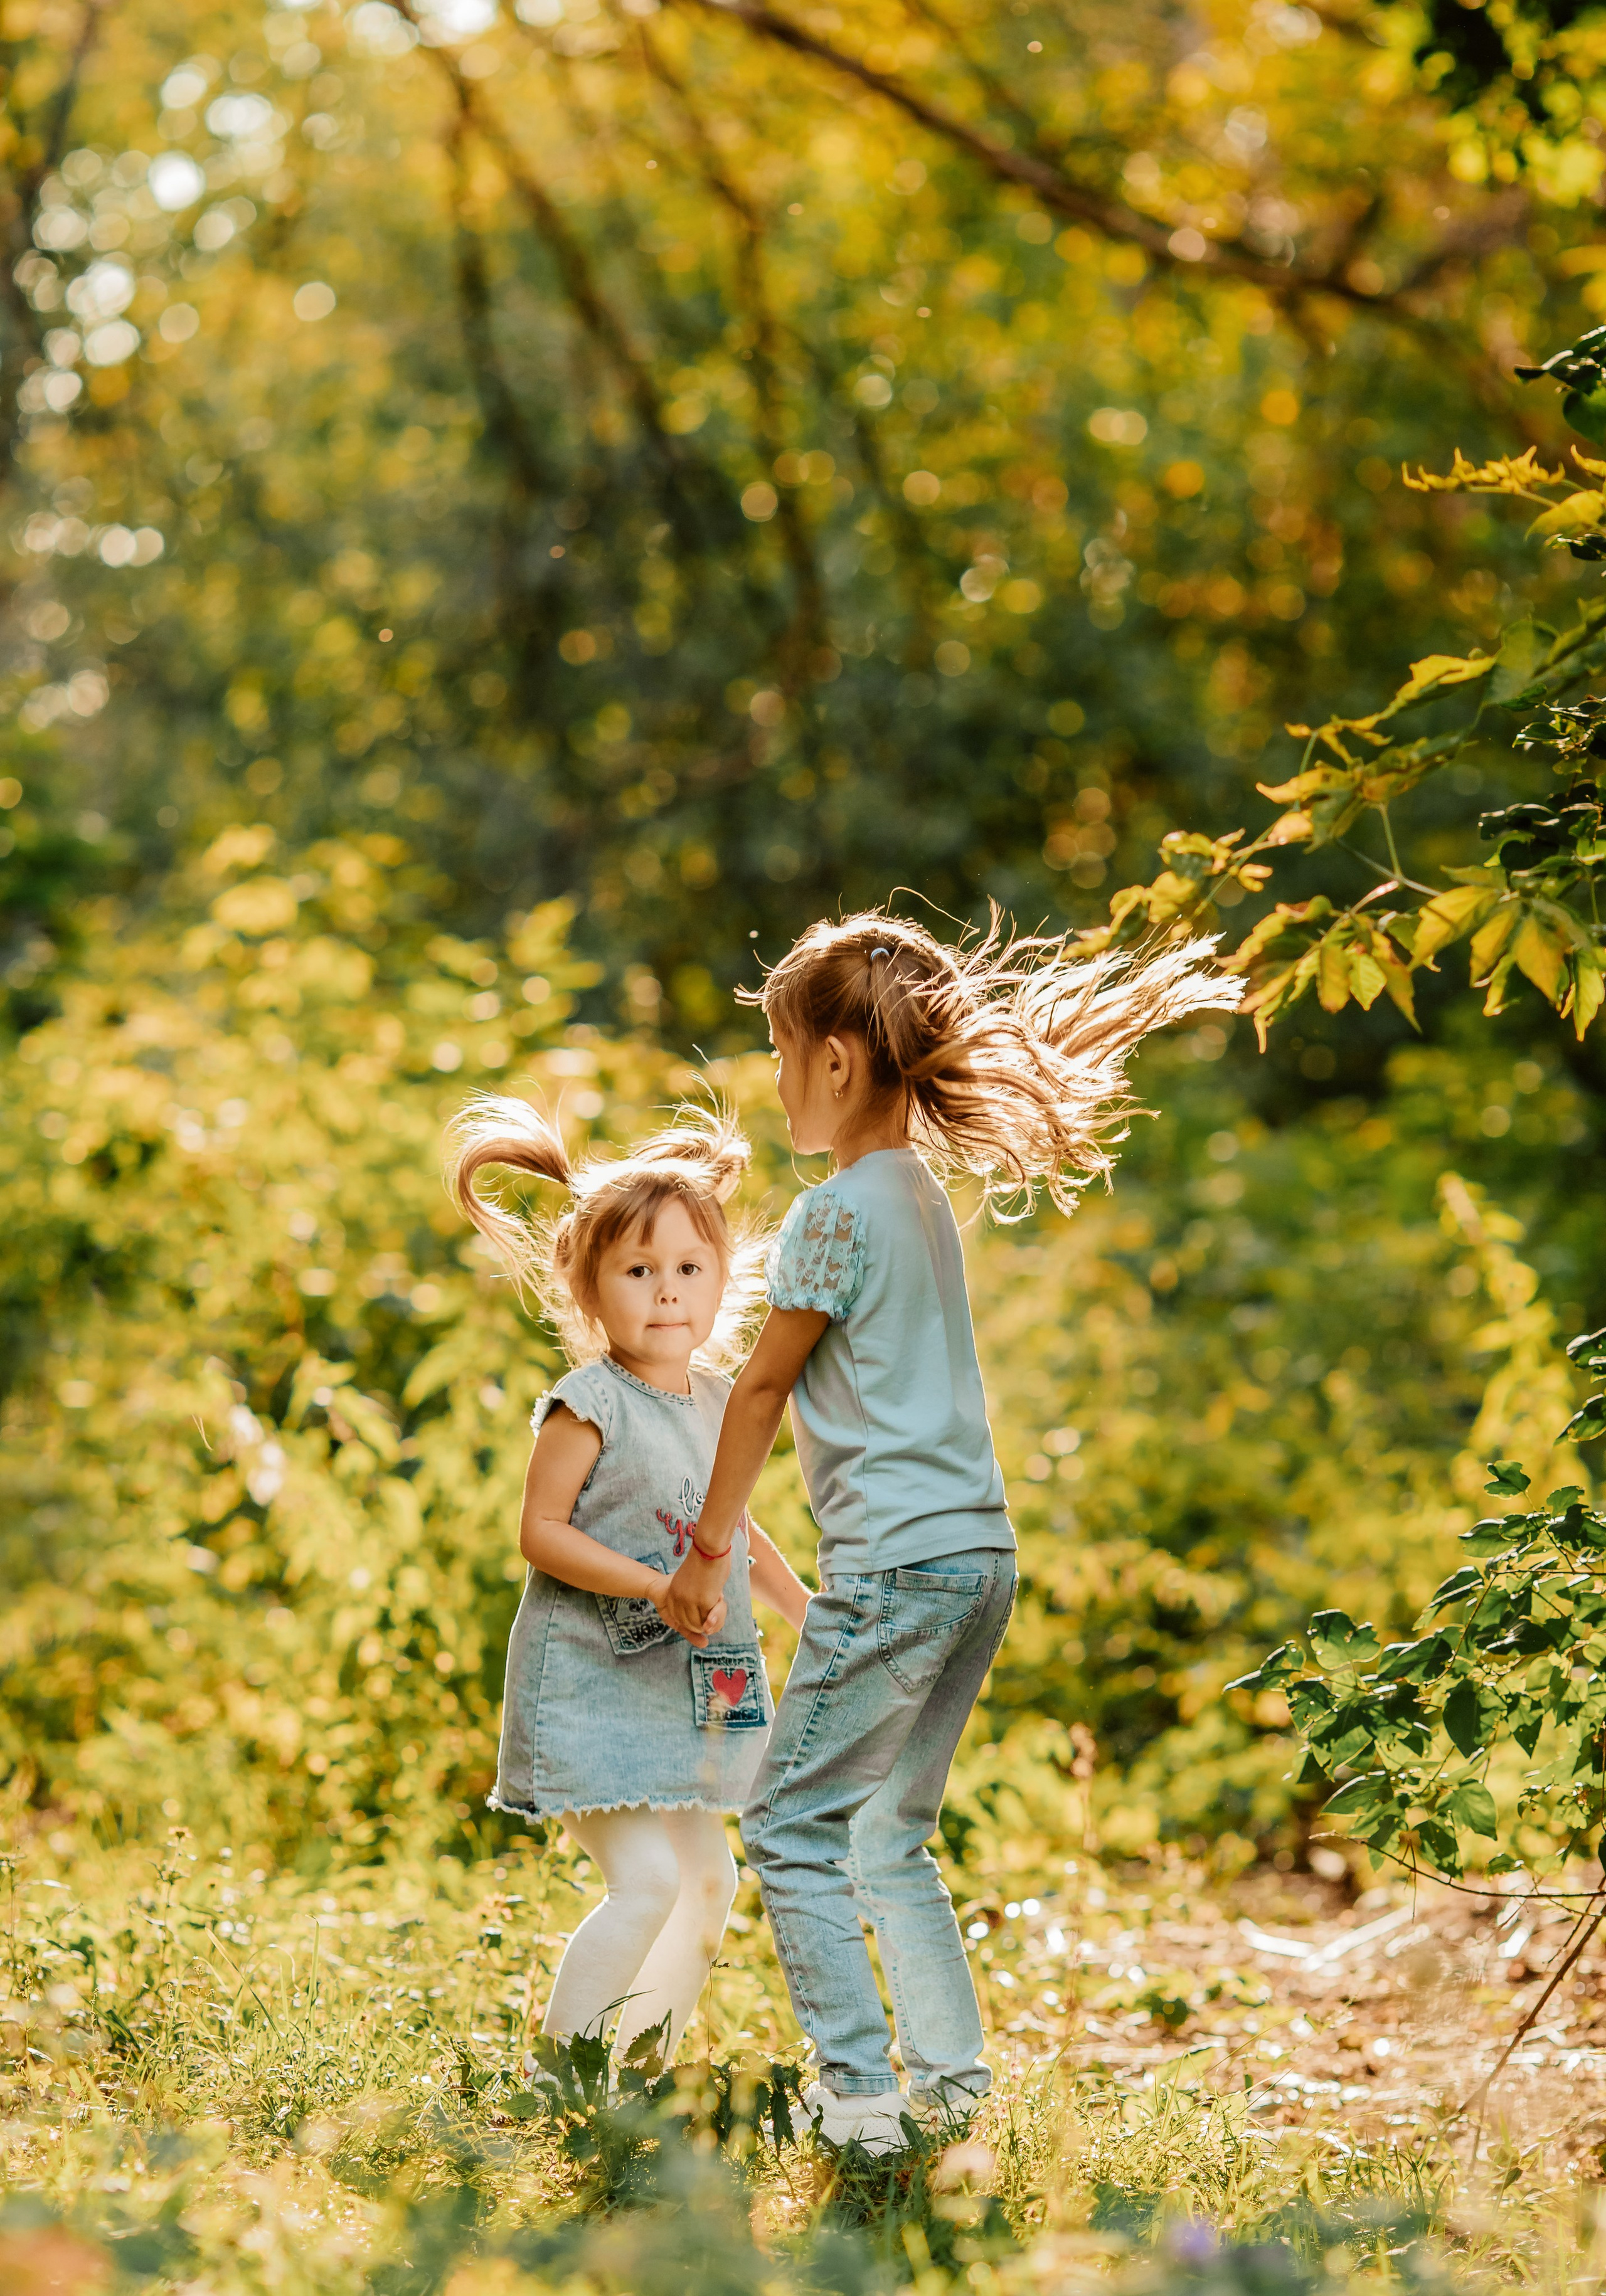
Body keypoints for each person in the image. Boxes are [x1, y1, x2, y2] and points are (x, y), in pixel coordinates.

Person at [660, 912, 1240, 2151]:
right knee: (890, 1829)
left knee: (787, 1825)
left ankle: (862, 2098)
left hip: (890, 1566)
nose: (771, 1077)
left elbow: (760, 1387)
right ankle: (952, 2089)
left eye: (777, 1049)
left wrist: (709, 1547)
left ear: (833, 1061)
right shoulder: (917, 1194)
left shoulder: (832, 1212)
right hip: (975, 1559)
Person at [447, 1100, 811, 2075]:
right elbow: (542, 1532)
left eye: (689, 1268)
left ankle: (642, 2069)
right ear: (589, 1286)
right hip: (595, 1684)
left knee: (710, 1879)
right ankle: (559, 2078)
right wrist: (657, 1586)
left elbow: (731, 1528)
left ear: (722, 1281)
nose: (666, 1292)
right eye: (638, 1271)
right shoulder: (588, 1402)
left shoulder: (717, 1399)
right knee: (646, 1880)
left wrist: (800, 1606)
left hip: (686, 1691)